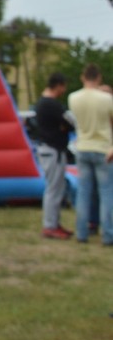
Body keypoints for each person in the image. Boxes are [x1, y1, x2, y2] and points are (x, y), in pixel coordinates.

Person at [67, 63, 113, 245]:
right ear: (99, 77)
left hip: (82, 147)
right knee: (106, 193)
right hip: (103, 148)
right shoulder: (106, 99)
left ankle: (81, 233)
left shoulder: (73, 97)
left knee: (84, 193)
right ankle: (108, 234)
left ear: (82, 77)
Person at [35, 72, 74, 239]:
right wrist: (64, 128)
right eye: (63, 87)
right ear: (59, 85)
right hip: (53, 151)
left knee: (55, 188)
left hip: (47, 149)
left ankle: (54, 223)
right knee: (54, 189)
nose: (63, 90)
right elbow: (71, 122)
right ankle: (50, 225)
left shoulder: (40, 103)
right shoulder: (52, 105)